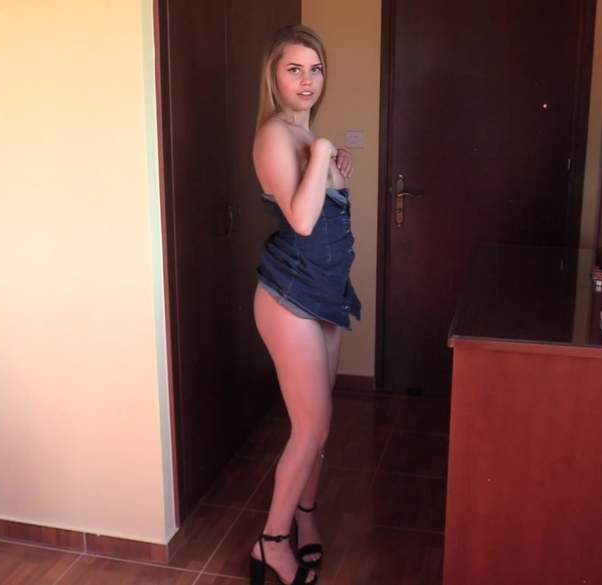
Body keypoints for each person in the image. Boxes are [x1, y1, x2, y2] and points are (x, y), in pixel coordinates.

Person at [249, 24, 361, 585]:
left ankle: (305, 517)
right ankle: (271, 543)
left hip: (325, 295)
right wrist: (320, 155)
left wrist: (333, 171)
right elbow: (300, 220)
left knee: (321, 424)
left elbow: (323, 212)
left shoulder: (305, 134)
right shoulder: (275, 134)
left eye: (315, 68)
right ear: (274, 76)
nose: (307, 79)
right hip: (289, 295)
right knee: (311, 426)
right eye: (294, 68)